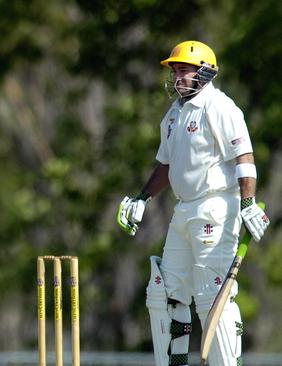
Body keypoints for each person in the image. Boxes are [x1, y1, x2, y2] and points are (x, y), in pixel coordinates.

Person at [116, 40, 270, 366]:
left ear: (205, 72)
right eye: (175, 71)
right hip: (184, 208)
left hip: (216, 207)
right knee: (166, 293)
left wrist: (248, 202)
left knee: (212, 297)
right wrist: (142, 197)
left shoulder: (220, 107)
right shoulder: (174, 114)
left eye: (184, 70)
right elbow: (167, 165)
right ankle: (176, 363)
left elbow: (243, 156)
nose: (177, 77)